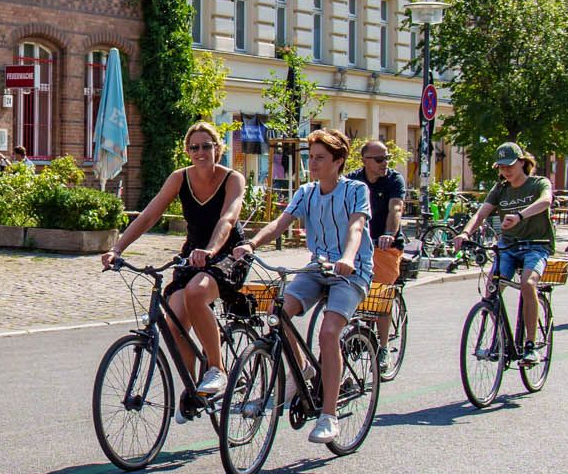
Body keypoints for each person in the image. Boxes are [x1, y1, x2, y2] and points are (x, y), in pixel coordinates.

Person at [236, 128, 371, 445]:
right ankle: (303, 371)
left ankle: (329, 416)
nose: (313, 164)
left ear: (338, 161)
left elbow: (356, 226)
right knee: (276, 312)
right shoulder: (307, 192)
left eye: (321, 158)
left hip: (351, 271)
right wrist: (252, 243)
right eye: (311, 157)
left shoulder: (355, 190)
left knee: (328, 333)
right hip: (317, 267)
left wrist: (348, 257)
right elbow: (280, 223)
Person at [102, 120, 245, 399]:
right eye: (194, 148)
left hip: (228, 253)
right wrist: (116, 249)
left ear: (218, 148)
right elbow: (149, 216)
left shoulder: (232, 179)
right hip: (193, 254)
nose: (201, 152)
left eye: (207, 146)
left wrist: (212, 250)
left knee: (197, 292)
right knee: (173, 321)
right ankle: (192, 388)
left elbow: (228, 219)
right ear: (187, 151)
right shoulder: (180, 178)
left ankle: (217, 368)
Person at [461, 142, 555, 362]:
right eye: (501, 167)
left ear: (522, 162)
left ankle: (530, 345)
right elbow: (481, 214)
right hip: (509, 246)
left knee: (528, 283)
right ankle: (498, 340)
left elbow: (546, 201)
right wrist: (465, 233)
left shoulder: (538, 183)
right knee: (492, 289)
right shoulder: (500, 188)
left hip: (536, 244)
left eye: (509, 166)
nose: (505, 171)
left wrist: (520, 216)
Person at [351, 141, 408, 342]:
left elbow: (396, 209)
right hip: (358, 245)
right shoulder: (353, 180)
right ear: (364, 161)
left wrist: (389, 233)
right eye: (379, 159)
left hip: (385, 245)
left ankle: (383, 347)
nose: (385, 163)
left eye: (386, 158)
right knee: (347, 289)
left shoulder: (394, 180)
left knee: (380, 295)